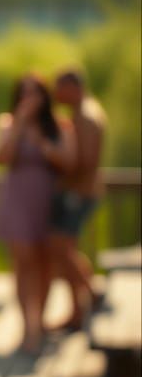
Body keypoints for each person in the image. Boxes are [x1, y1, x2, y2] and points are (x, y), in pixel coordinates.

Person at [0, 72, 76, 355]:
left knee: (45, 266)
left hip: (47, 201)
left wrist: (44, 144)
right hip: (18, 201)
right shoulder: (7, 123)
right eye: (25, 93)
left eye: (36, 93)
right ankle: (27, 326)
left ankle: (39, 322)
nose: (30, 99)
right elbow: (1, 157)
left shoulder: (59, 127)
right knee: (23, 263)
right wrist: (20, 124)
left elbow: (68, 162)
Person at [50, 67, 106, 330]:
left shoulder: (86, 115)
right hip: (80, 192)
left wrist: (57, 164)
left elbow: (86, 162)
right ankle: (80, 304)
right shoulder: (83, 112)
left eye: (59, 87)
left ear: (73, 87)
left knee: (61, 248)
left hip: (79, 194)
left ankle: (91, 294)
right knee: (65, 250)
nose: (56, 94)